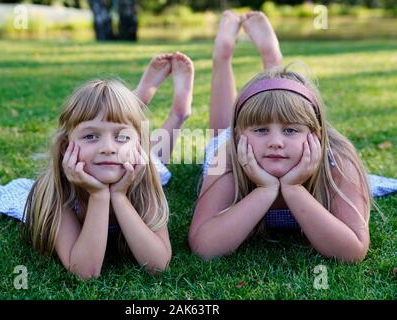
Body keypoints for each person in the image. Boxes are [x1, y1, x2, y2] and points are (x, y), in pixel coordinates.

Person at [188, 11, 372, 262]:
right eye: (262, 130)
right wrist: (264, 190)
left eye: (290, 130)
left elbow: (351, 252)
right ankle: (222, 56)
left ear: (316, 134)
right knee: (218, 134)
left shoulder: (338, 161)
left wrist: (294, 188)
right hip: (233, 144)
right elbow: (205, 247)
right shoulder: (230, 155)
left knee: (274, 104)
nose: (276, 142)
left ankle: (272, 60)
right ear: (240, 134)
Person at [22, 52, 194, 280]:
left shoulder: (142, 180)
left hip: (135, 163)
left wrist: (121, 196)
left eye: (120, 136)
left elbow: (158, 265)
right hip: (120, 161)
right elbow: (84, 273)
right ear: (65, 147)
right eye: (91, 136)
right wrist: (100, 195)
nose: (108, 148)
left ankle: (177, 114)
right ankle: (134, 104)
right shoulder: (56, 191)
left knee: (155, 161)